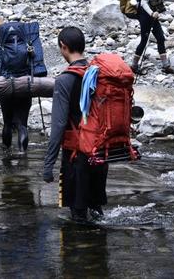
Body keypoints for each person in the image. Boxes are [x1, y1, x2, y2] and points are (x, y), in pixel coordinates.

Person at [42, 26, 108, 222]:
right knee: (96, 212)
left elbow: (59, 124)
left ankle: (79, 249)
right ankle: (99, 251)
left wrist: (48, 165)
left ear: (63, 47)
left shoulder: (64, 80)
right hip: (100, 152)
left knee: (78, 216)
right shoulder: (98, 74)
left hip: (76, 155)